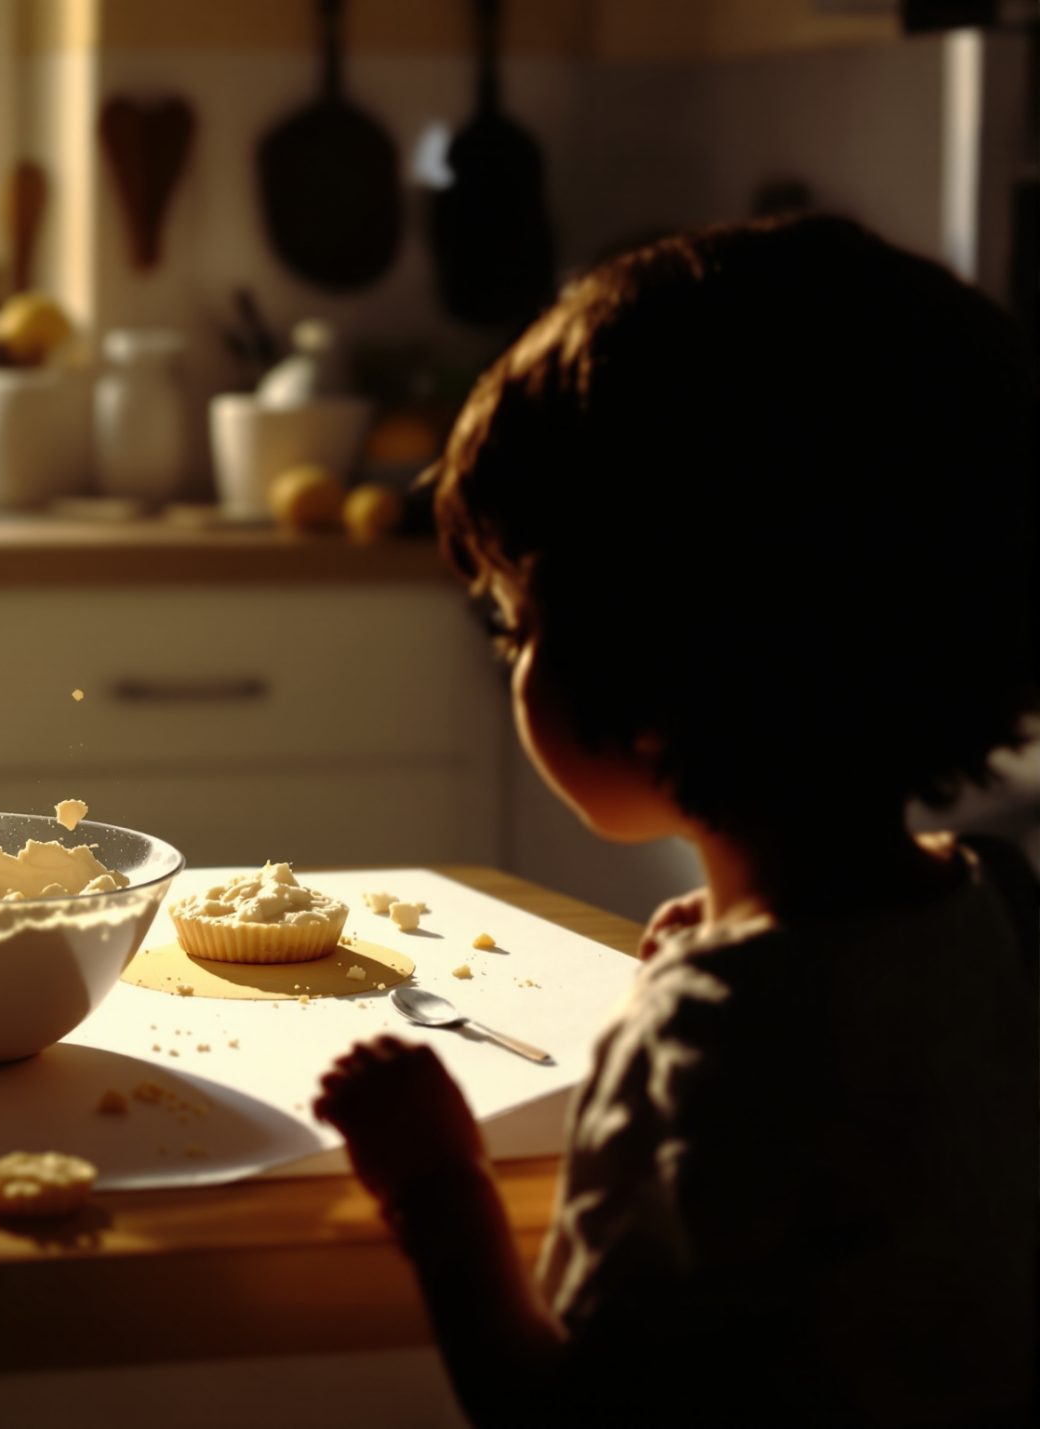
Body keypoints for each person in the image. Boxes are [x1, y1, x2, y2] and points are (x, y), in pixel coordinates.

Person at [313, 214, 1039, 1429]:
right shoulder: (1006, 911)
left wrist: (435, 1185)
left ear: (640, 674)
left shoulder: (707, 1057)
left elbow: (557, 1408)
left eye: (516, 624)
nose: (511, 660)